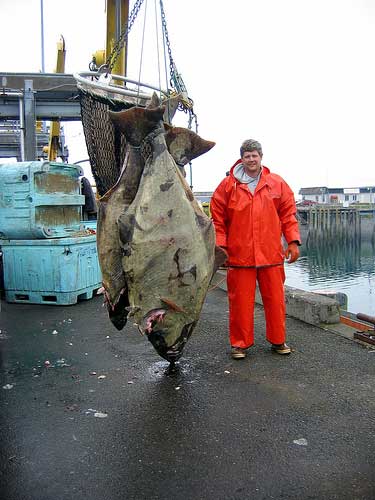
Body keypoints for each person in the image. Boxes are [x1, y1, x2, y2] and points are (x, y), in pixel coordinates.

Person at [210, 139, 301, 360]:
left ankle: (278, 340)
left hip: (271, 255)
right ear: (241, 158)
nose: (251, 159)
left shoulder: (277, 183)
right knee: (240, 303)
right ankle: (240, 344)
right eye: (247, 156)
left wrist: (293, 242)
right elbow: (217, 220)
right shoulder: (227, 186)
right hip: (240, 257)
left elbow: (288, 215)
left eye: (255, 155)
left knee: (276, 301)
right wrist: (220, 248)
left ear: (261, 157)